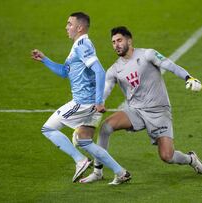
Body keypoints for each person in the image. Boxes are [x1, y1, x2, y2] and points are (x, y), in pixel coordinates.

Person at [79, 26, 202, 183]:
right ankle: (98, 171)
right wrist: (99, 102)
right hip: (136, 112)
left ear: (129, 40)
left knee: (167, 156)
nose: (116, 45)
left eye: (119, 40)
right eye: (113, 42)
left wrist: (189, 78)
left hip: (159, 112)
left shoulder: (148, 55)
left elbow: (170, 65)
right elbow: (105, 90)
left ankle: (191, 159)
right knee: (106, 127)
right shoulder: (114, 70)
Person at [31, 13, 131, 185]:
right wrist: (45, 60)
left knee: (48, 129)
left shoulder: (82, 45)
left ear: (79, 28)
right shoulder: (78, 45)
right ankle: (121, 172)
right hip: (90, 103)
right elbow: (64, 72)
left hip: (83, 102)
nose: (66, 27)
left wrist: (99, 101)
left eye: (69, 24)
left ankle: (80, 160)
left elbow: (99, 71)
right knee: (84, 141)